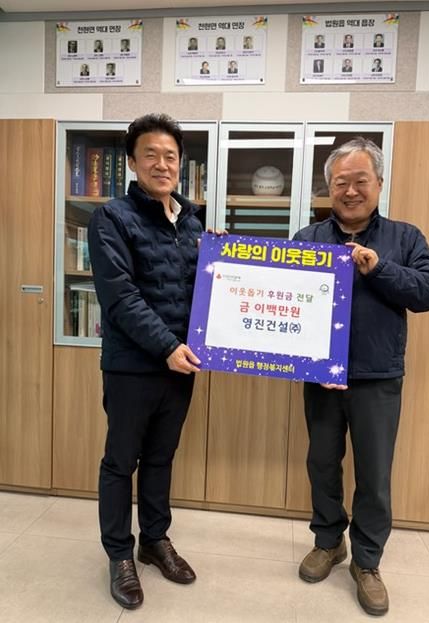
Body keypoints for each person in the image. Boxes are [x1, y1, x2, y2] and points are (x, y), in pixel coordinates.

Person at [294, 138, 429, 616]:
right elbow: (282, 299)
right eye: (341, 182)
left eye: (361, 180)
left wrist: (380, 269)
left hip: (378, 378)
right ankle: (328, 542)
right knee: (322, 464)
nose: (350, 191)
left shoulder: (405, 238)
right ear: (329, 189)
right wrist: (225, 259)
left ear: (379, 184)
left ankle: (366, 561)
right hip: (321, 377)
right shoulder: (307, 238)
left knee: (374, 475)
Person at [88, 113, 204, 610]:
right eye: (150, 155)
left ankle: (155, 540)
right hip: (133, 366)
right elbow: (120, 296)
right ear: (132, 163)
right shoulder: (112, 218)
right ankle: (120, 554)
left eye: (170, 156)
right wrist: (166, 347)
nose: (162, 164)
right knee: (121, 462)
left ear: (181, 163)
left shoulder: (192, 222)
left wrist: (223, 259)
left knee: (161, 457)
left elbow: (205, 291)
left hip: (181, 366)